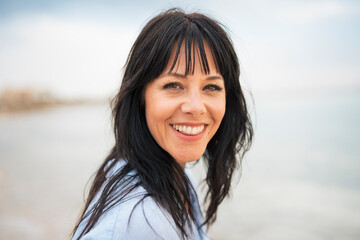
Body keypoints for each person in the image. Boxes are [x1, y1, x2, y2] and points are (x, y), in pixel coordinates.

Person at [72, 8, 253, 240]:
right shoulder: (138, 221)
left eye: (211, 87)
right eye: (173, 85)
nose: (196, 107)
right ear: (140, 95)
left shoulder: (177, 175)